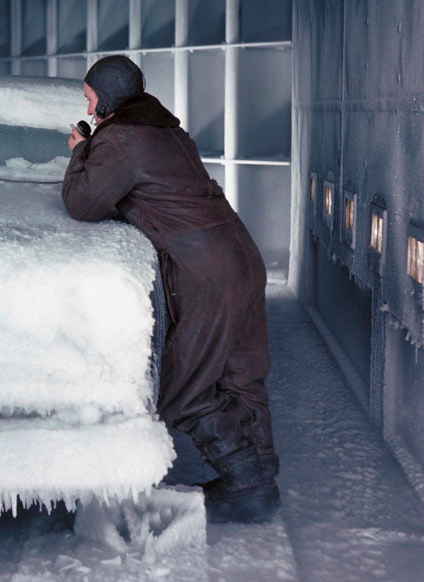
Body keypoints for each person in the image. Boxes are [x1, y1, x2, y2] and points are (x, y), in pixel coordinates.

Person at [62, 55, 279, 523]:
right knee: (242, 375)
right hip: (241, 255)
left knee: (185, 387)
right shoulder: (167, 130)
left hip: (205, 273)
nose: (87, 102)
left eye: (89, 96)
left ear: (105, 100)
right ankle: (260, 479)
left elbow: (82, 204)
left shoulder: (119, 141)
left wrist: (81, 149)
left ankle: (244, 481)